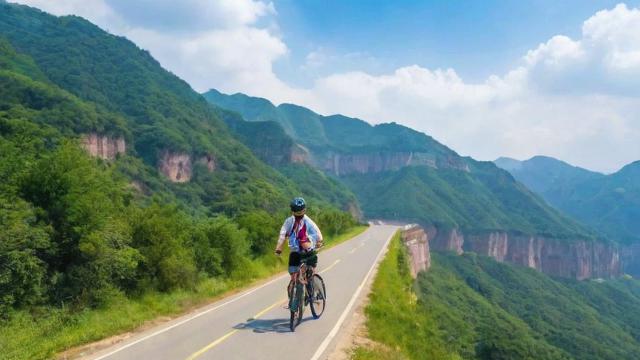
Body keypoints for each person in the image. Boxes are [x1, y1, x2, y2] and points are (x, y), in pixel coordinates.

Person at [275, 197, 323, 296]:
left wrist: (278, 249)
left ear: (292, 211)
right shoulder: (307, 221)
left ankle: (297, 287)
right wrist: (320, 242)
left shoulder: (288, 222)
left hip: (297, 252)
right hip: (307, 252)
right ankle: (311, 288)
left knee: (295, 274)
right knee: (309, 270)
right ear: (304, 210)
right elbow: (318, 233)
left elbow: (282, 236)